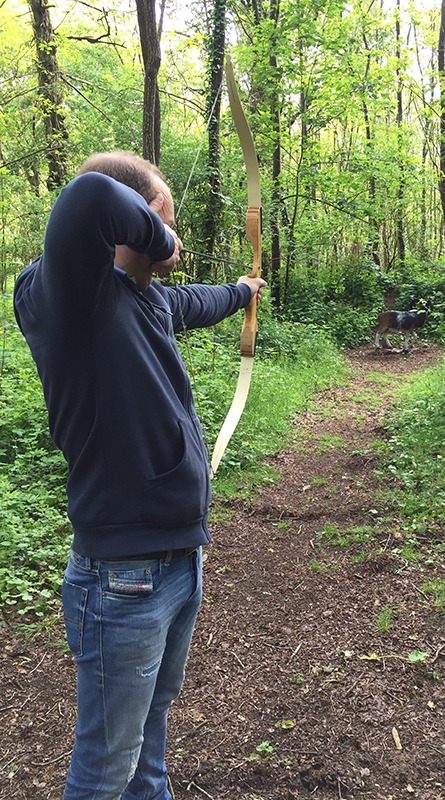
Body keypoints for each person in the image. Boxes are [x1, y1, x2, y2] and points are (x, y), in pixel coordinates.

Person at [13, 150, 267, 800]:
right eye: (165, 218)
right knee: (106, 768)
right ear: (140, 221)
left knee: (149, 730)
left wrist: (241, 293)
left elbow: (197, 302)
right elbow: (88, 197)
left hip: (180, 561)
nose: (173, 237)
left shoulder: (145, 302)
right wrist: (158, 232)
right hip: (124, 577)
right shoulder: (67, 297)